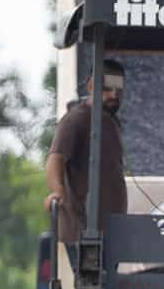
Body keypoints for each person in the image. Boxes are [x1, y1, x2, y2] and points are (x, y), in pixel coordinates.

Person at [45, 57, 127, 249]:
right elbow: (54, 159)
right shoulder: (76, 119)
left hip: (109, 233)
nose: (114, 94)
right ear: (91, 86)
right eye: (107, 88)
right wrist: (57, 190)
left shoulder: (111, 122)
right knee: (88, 279)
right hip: (83, 234)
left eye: (119, 89)